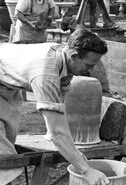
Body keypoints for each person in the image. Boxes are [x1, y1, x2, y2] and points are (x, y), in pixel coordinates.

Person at [0, 28, 110, 185]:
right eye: (89, 65)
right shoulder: (46, 72)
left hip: (6, 84)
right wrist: (85, 170)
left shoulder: (63, 57)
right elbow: (56, 133)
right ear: (74, 56)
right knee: (2, 154)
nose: (91, 71)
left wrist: (73, 152)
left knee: (7, 138)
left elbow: (59, 112)